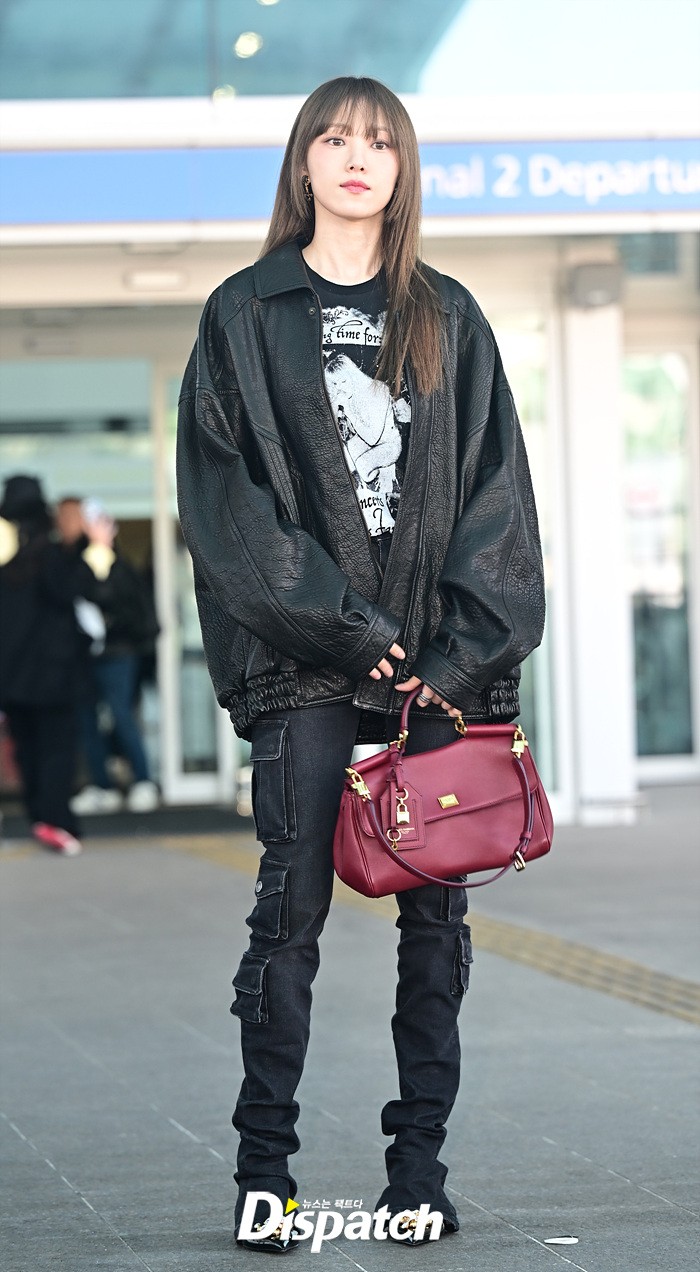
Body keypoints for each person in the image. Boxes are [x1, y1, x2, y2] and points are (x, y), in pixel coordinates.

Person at [177, 77, 545, 1251]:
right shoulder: (243, 315)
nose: (354, 157)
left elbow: (497, 499)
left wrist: (451, 655)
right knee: (288, 918)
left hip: (438, 674)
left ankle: (417, 1174)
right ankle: (266, 1176)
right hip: (308, 666)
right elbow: (228, 509)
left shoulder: (448, 315)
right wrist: (350, 631)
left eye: (377, 142)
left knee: (435, 928)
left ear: (400, 169)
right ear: (303, 162)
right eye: (333, 138)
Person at [0, 476, 114, 855]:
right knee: (56, 750)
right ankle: (55, 820)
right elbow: (78, 587)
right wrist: (99, 550)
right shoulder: (48, 556)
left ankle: (40, 817)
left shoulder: (8, 559)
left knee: (28, 749)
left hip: (13, 678)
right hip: (52, 675)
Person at [55, 497, 160, 814]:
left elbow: (113, 598)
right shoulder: (69, 559)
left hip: (117, 653)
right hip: (85, 655)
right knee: (86, 720)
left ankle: (142, 780)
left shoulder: (113, 563)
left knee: (121, 715)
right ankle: (102, 786)